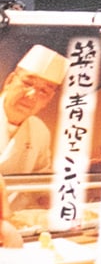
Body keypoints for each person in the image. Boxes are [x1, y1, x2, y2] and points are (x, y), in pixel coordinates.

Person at [0, 44, 66, 175]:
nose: (31, 95)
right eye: (28, 83)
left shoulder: (40, 131)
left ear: (48, 100)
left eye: (44, 91)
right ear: (9, 81)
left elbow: (40, 182)